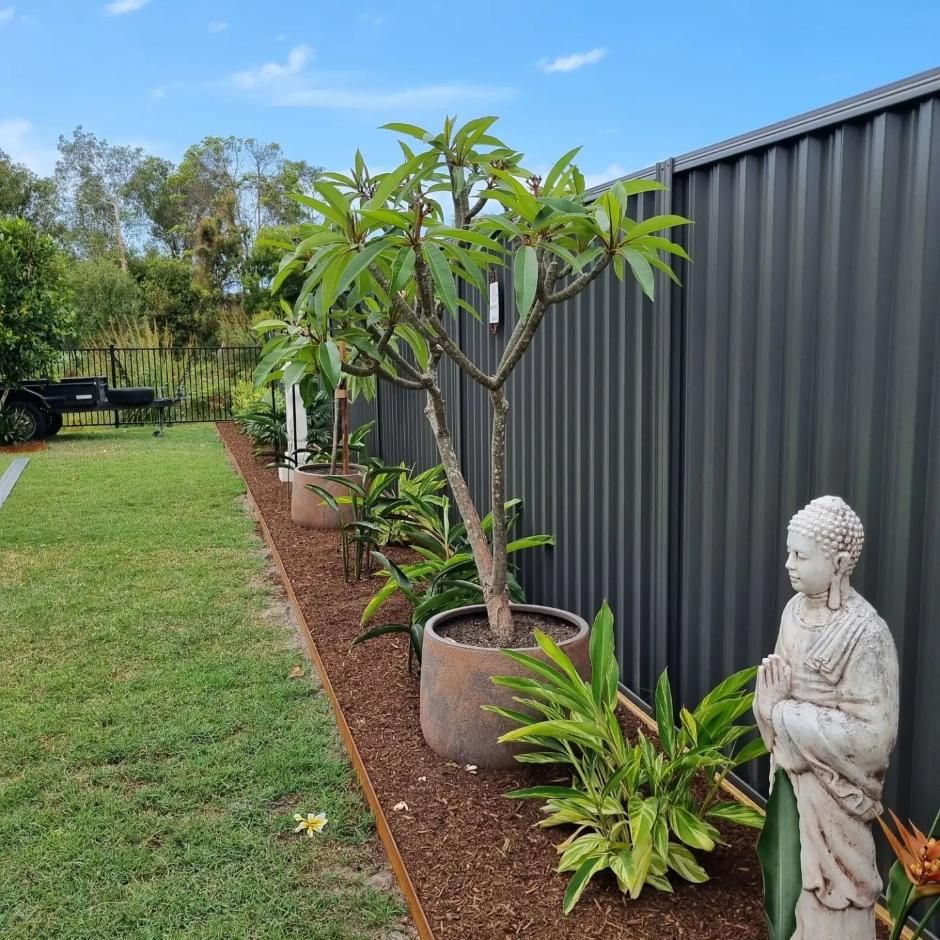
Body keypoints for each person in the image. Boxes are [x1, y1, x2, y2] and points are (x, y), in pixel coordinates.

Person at [755, 496, 899, 940]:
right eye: (788, 552)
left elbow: (875, 738)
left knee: (836, 904)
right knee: (792, 884)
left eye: (800, 555)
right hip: (793, 785)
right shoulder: (792, 614)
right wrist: (768, 706)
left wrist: (785, 713)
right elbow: (770, 692)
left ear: (838, 563)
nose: (788, 565)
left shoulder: (867, 634)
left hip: (836, 801)